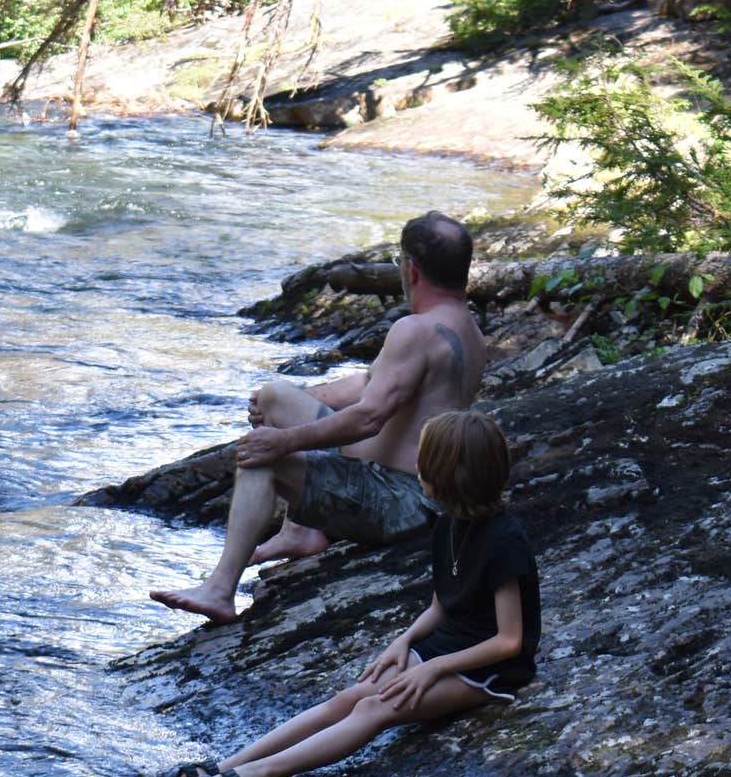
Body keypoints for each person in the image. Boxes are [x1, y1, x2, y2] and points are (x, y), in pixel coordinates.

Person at [168, 410, 539, 777]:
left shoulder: (504, 540)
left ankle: (264, 774)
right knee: (349, 697)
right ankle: (229, 765)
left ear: (445, 476)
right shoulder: (450, 524)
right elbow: (441, 606)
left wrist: (431, 669)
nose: (416, 465)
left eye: (424, 459)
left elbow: (509, 641)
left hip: (489, 673)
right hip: (447, 649)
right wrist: (404, 641)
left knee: (374, 709)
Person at [149, 210, 486, 625]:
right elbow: (369, 383)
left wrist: (283, 442)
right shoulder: (465, 329)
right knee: (277, 396)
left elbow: (368, 418)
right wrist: (293, 400)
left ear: (411, 269)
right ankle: (300, 532)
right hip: (406, 488)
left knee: (262, 458)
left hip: (402, 501)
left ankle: (220, 590)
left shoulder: (416, 330)